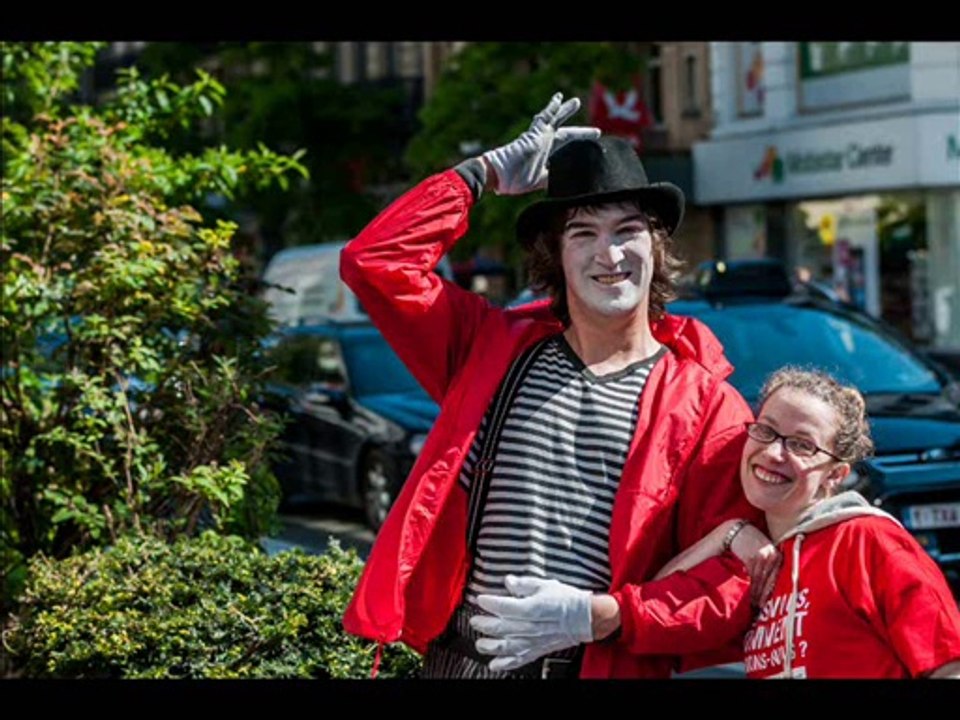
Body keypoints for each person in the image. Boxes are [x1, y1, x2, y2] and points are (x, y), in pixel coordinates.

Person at [341, 92, 776, 679]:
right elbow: (375, 262)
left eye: (628, 230)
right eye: (583, 234)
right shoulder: (487, 351)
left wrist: (604, 616)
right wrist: (483, 174)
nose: (610, 254)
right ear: (556, 254)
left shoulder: (706, 406)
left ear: (657, 246)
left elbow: (729, 579)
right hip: (456, 666)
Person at [653, 367, 960, 679]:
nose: (773, 453)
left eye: (802, 445)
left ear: (835, 474)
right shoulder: (759, 560)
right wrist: (725, 535)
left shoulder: (866, 540)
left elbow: (949, 664)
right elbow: (654, 613)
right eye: (766, 430)